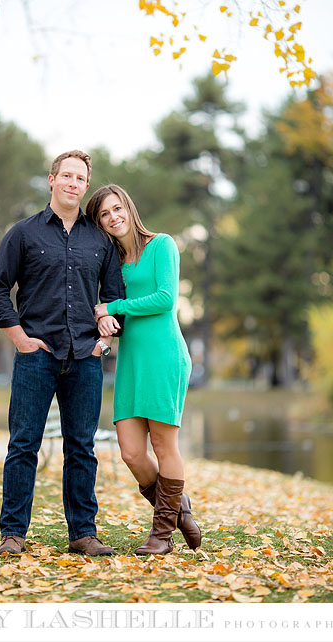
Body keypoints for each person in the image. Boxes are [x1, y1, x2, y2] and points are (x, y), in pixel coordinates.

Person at [0, 150, 125, 556]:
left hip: (85, 356)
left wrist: (105, 341)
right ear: (51, 180)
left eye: (80, 179)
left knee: (81, 447)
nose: (73, 184)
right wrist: (19, 337)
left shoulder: (101, 240)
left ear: (85, 186)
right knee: (24, 444)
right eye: (66, 176)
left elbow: (115, 298)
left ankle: (83, 533)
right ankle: (12, 534)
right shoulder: (23, 234)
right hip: (36, 355)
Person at [85, 184, 202, 556]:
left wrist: (112, 307)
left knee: (164, 445)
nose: (113, 217)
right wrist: (104, 326)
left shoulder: (162, 245)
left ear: (129, 209)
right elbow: (110, 314)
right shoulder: (113, 263)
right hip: (131, 360)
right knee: (132, 452)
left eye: (117, 209)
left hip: (164, 356)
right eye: (104, 214)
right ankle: (179, 512)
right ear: (99, 223)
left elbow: (166, 299)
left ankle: (162, 536)